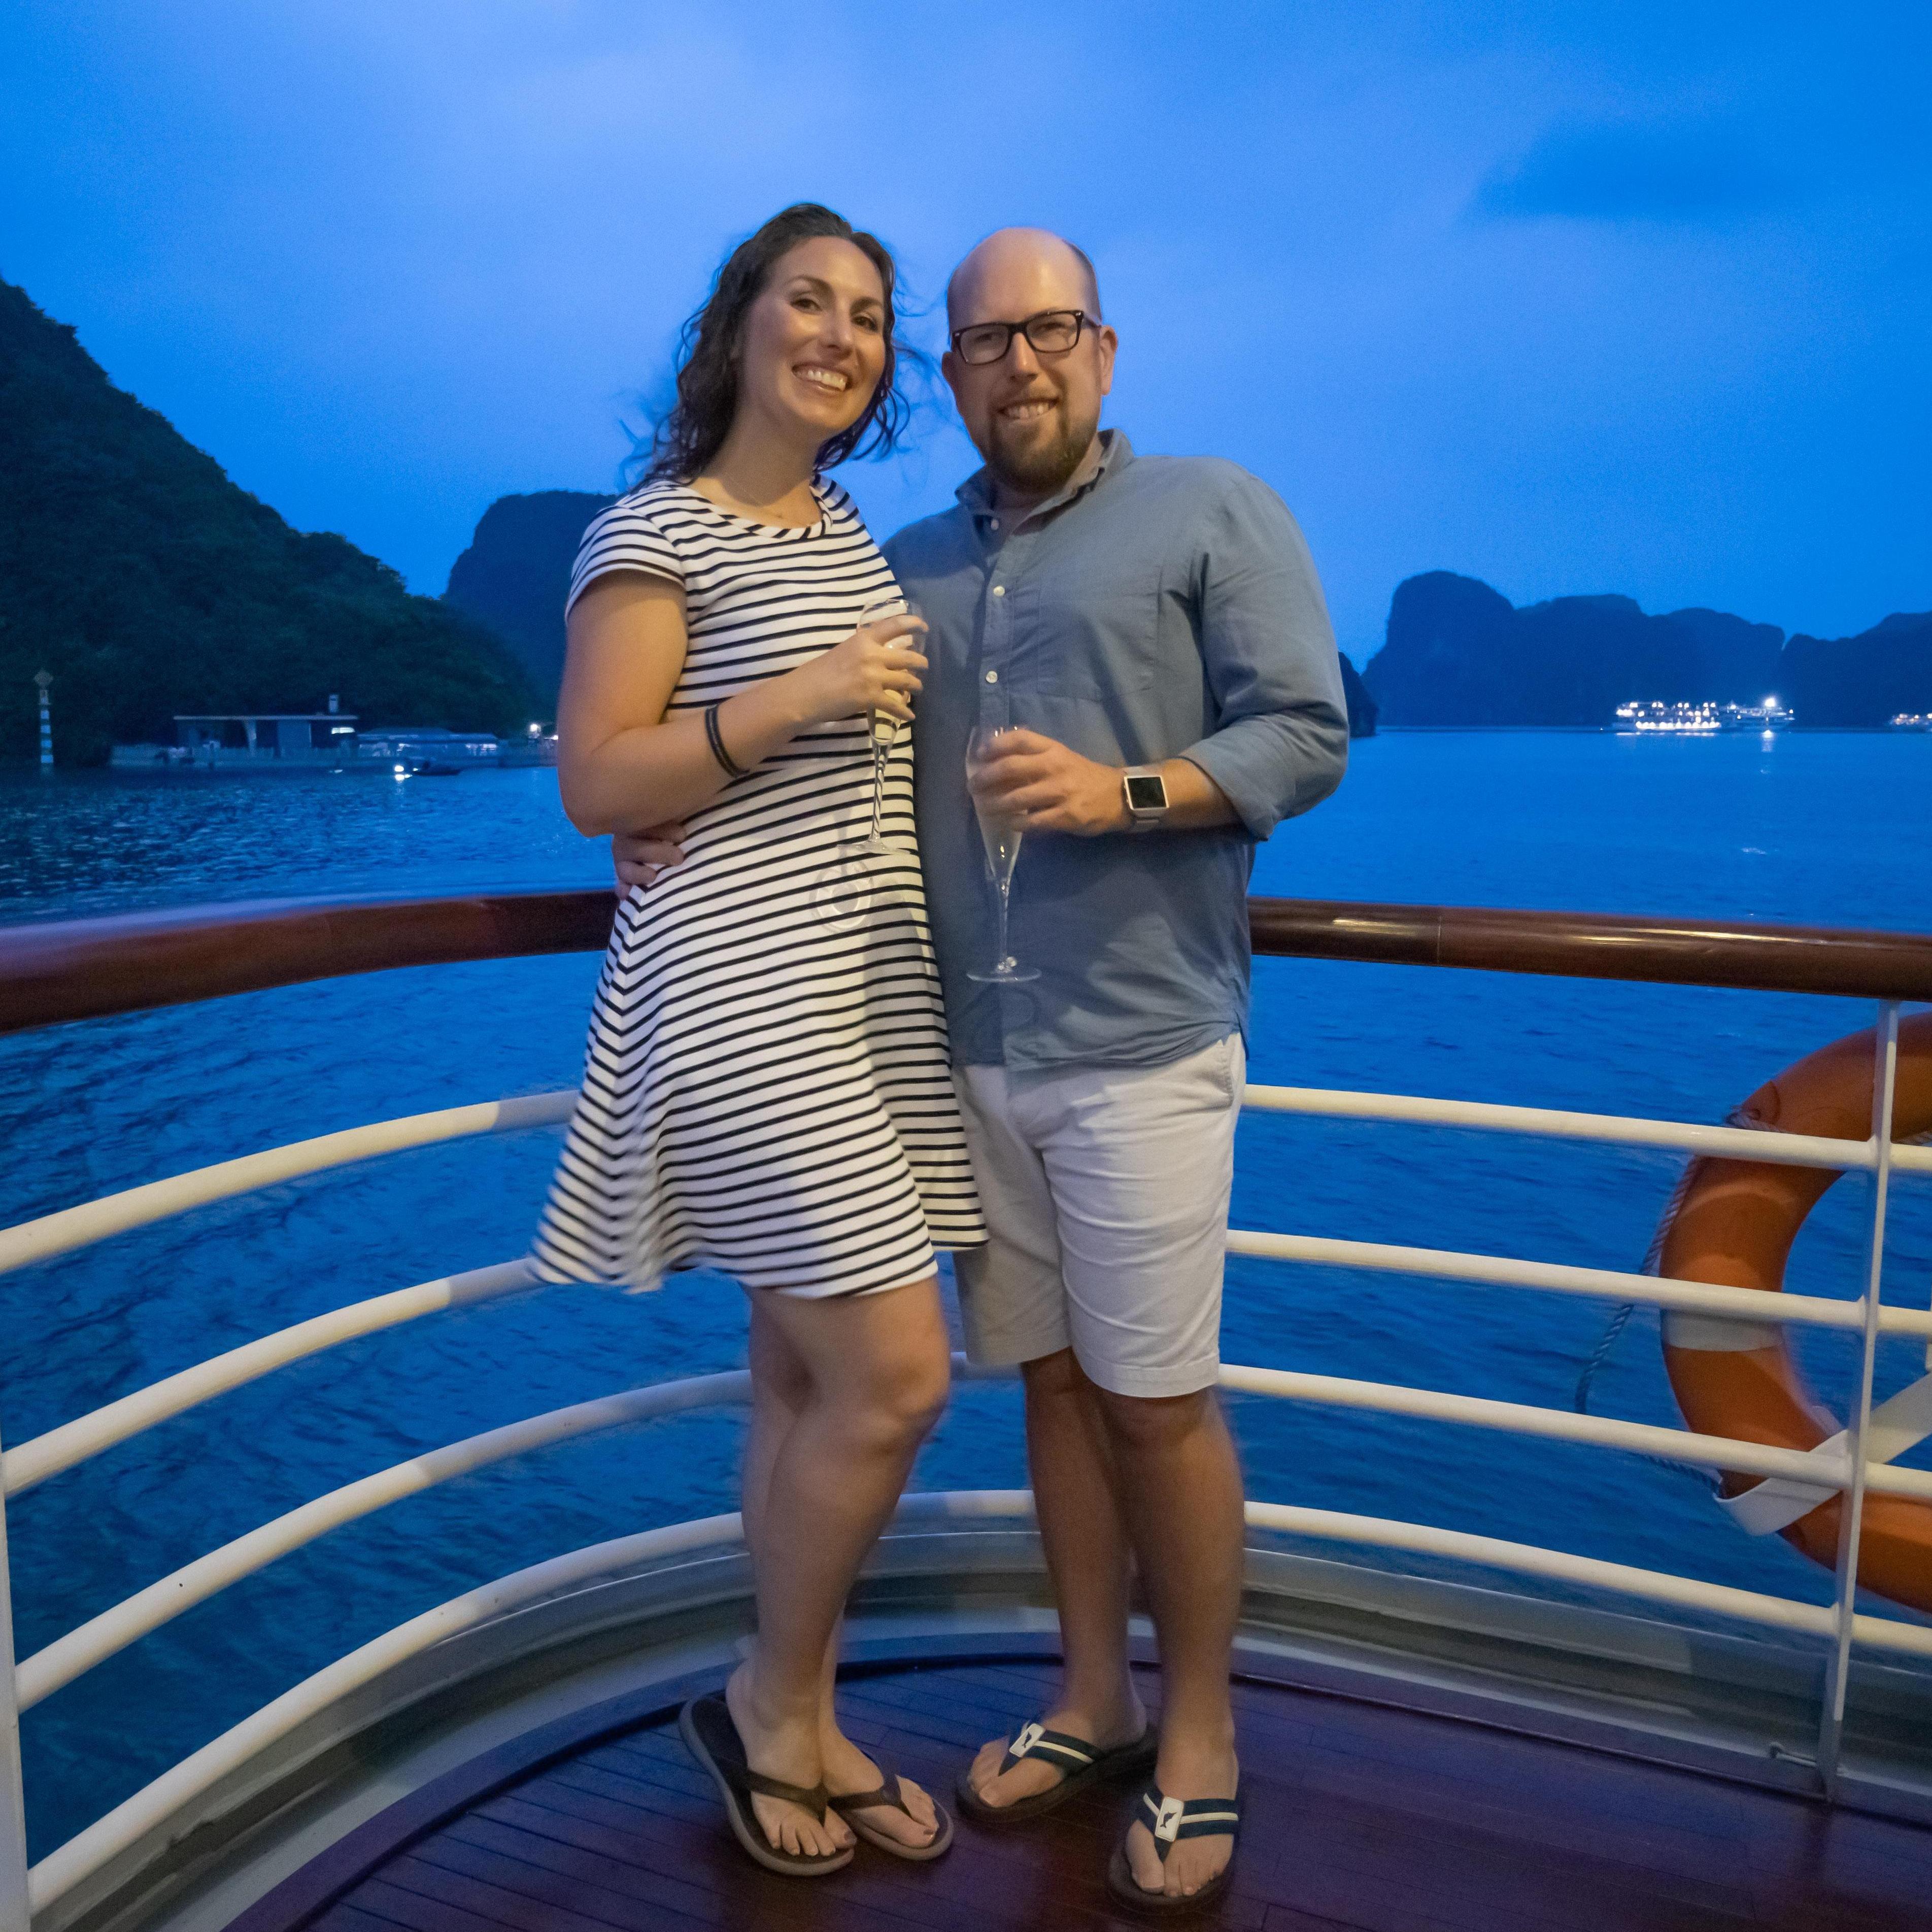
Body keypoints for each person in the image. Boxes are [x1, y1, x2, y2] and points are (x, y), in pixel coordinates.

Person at [618, 224, 1347, 1913]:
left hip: (1145, 1038)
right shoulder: (906, 561)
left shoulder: (1211, 509)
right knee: (1051, 1388)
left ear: (1105, 349)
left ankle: (1205, 1739)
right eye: (981, 342)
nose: (1019, 363)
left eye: (1052, 331)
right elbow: (780, 725)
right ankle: (1092, 1700)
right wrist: (654, 817)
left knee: (1159, 1405)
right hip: (953, 1053)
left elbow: (1306, 729)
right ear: (946, 378)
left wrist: (1128, 793)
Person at [532, 202, 986, 1879]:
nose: (842, 335)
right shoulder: (657, 533)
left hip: (856, 997)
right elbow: (598, 781)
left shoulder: (844, 532)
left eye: (870, 317)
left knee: (805, 1377)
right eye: (809, 300)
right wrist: (788, 708)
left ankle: (797, 1708)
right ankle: (764, 1706)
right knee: (901, 1375)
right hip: (743, 1001)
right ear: (735, 328)